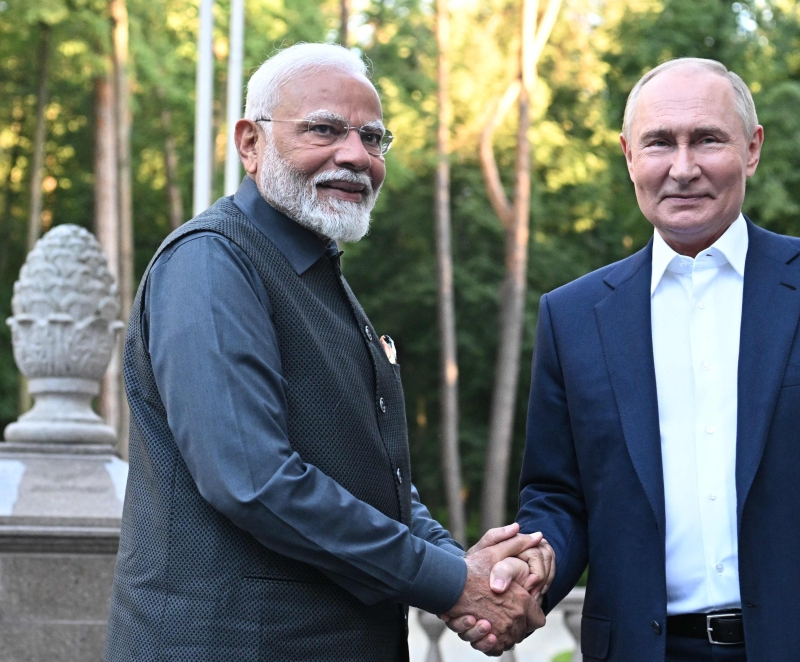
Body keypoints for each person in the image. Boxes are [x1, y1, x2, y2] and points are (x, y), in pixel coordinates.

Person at [457, 57, 800, 661]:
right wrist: (532, 569)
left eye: (707, 139)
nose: (683, 168)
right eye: (659, 143)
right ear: (629, 155)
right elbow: (559, 495)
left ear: (752, 149)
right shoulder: (572, 318)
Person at [105, 43, 548, 661]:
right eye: (323, 129)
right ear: (250, 143)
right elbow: (254, 480)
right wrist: (453, 583)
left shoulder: (319, 276)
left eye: (372, 137)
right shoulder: (212, 263)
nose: (354, 156)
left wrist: (466, 569)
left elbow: (368, 477)